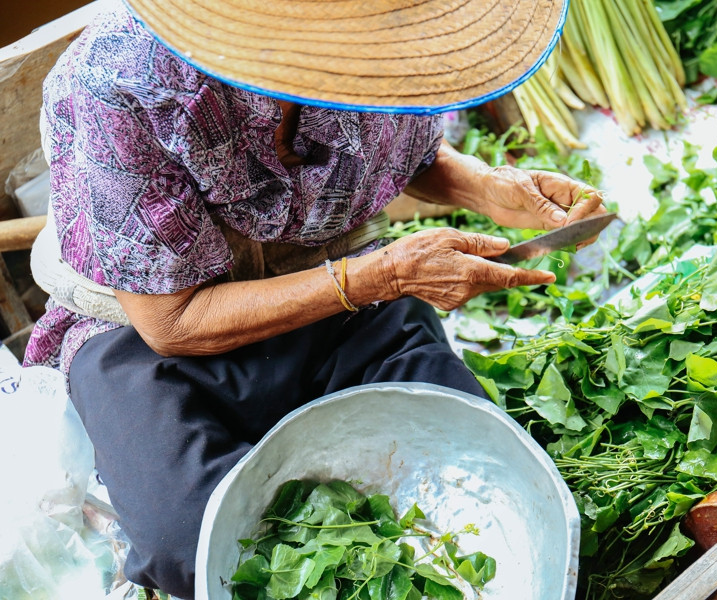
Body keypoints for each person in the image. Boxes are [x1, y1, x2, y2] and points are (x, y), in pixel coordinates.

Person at [24, 0, 605, 597]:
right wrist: (380, 277)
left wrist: (492, 188)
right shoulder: (120, 83)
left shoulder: (376, 34)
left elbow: (408, 153)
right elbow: (172, 323)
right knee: (200, 547)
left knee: (473, 469)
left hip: (338, 295)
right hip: (154, 336)